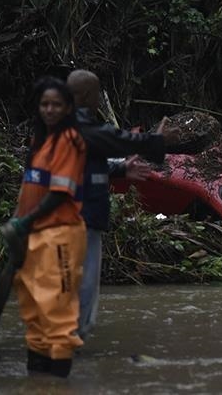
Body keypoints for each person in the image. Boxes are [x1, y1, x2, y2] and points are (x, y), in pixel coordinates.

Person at [65, 69, 166, 340]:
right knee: (83, 284)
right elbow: (113, 139)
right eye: (97, 94)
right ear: (87, 96)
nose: (99, 99)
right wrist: (155, 141)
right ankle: (69, 340)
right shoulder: (80, 127)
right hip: (80, 218)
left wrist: (120, 169)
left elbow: (86, 162)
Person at [3, 76, 87, 378]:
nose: (49, 110)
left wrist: (25, 221)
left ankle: (58, 382)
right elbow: (30, 190)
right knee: (32, 303)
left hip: (60, 232)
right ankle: (37, 381)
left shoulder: (70, 140)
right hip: (34, 233)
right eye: (44, 104)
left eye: (56, 105)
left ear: (67, 108)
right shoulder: (41, 143)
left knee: (58, 309)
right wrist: (17, 220)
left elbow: (59, 193)